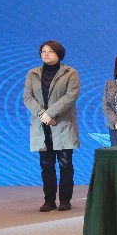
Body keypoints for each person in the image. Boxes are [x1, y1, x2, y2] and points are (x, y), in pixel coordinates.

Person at [23, 40, 80, 212]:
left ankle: (65, 200)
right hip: (42, 125)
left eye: (50, 51)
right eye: (43, 51)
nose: (46, 54)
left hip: (62, 124)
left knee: (65, 165)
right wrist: (43, 114)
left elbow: (71, 96)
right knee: (46, 166)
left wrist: (50, 114)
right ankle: (49, 200)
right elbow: (27, 97)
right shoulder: (32, 73)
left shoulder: (70, 72)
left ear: (59, 54)